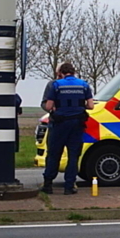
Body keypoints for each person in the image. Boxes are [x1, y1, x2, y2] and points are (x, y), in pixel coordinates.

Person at [40, 62, 94, 195]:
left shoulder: (56, 85)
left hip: (59, 124)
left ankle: (48, 184)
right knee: (73, 156)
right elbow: (91, 106)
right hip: (77, 124)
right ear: (74, 72)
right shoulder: (84, 85)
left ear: (61, 73)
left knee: (54, 155)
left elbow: (48, 106)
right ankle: (69, 186)